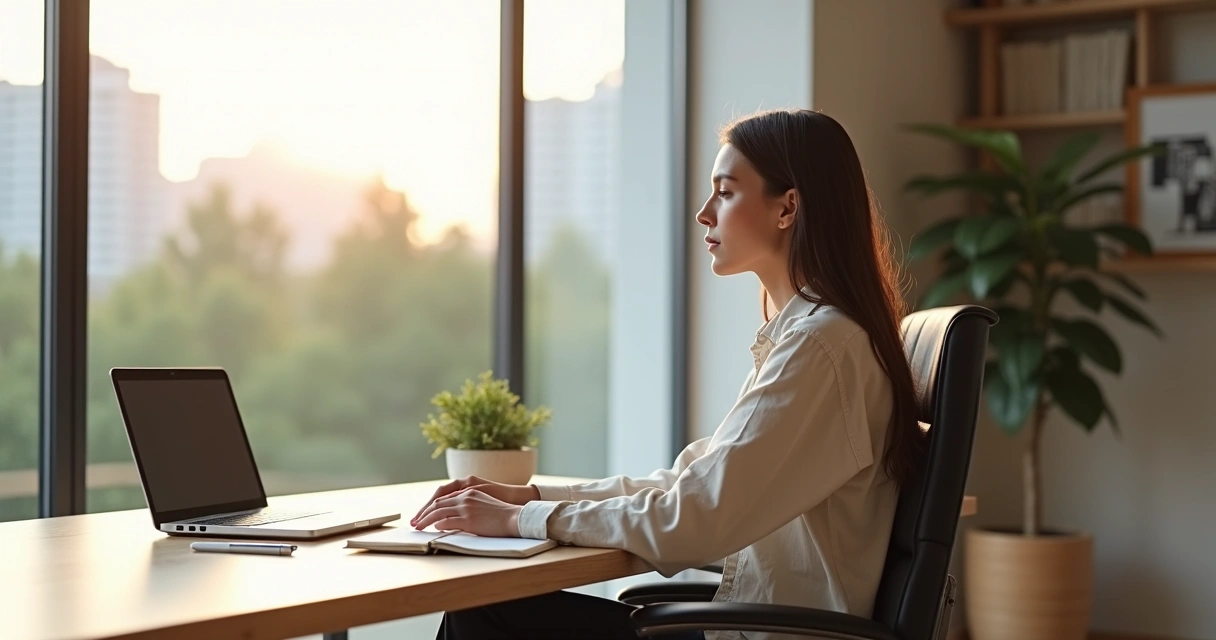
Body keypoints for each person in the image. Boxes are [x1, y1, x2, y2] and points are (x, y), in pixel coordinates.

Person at [412, 109, 924, 640]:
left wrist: (519, 521)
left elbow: (694, 519)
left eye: (725, 192)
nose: (705, 214)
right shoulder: (812, 338)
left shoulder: (821, 346)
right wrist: (534, 497)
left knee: (484, 612)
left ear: (787, 207)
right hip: (749, 628)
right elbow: (687, 485)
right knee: (490, 609)